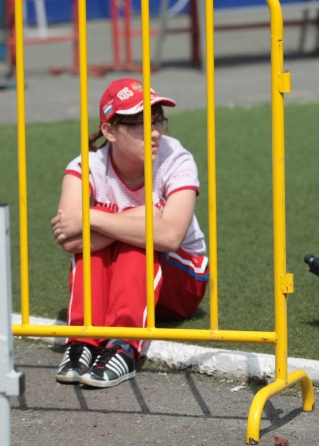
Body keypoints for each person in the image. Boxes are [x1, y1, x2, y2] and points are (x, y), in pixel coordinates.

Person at [51, 78, 209, 388]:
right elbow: (69, 241)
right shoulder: (86, 166)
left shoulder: (176, 158)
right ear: (109, 131)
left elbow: (171, 237)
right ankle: (83, 342)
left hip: (183, 279)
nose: (154, 132)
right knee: (129, 234)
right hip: (123, 283)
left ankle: (124, 347)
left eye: (157, 120)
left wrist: (92, 217)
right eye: (138, 124)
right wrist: (138, 216)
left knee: (142, 240)